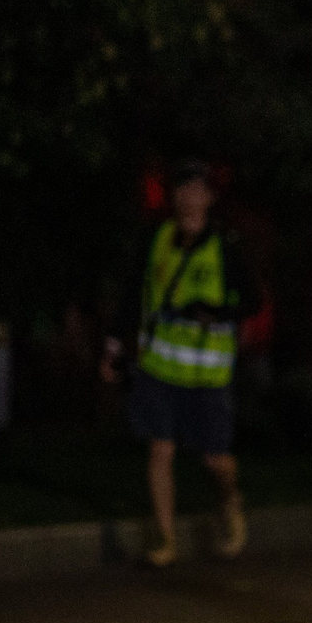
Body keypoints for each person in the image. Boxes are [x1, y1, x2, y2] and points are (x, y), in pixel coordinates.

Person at [103, 159, 260, 568]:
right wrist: (115, 349)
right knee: (161, 449)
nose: (188, 196)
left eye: (197, 189)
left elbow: (253, 300)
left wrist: (217, 312)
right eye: (182, 188)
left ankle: (230, 501)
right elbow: (131, 296)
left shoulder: (224, 246)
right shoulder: (155, 239)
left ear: (209, 197)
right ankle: (165, 539)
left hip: (208, 374)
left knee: (215, 460)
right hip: (159, 367)